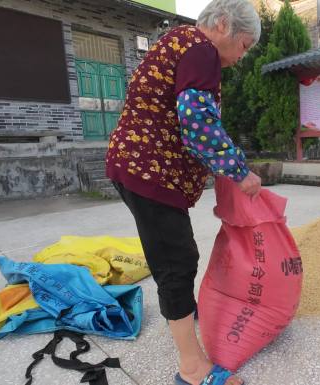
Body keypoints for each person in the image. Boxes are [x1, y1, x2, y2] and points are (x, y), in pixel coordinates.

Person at [105, 1, 262, 383]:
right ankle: (192, 368)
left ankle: (183, 317)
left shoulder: (179, 41)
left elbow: (183, 118)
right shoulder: (201, 48)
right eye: (244, 46)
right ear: (223, 24)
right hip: (150, 172)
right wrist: (238, 170)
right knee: (176, 261)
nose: (242, 58)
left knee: (172, 254)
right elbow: (196, 119)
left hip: (137, 166)